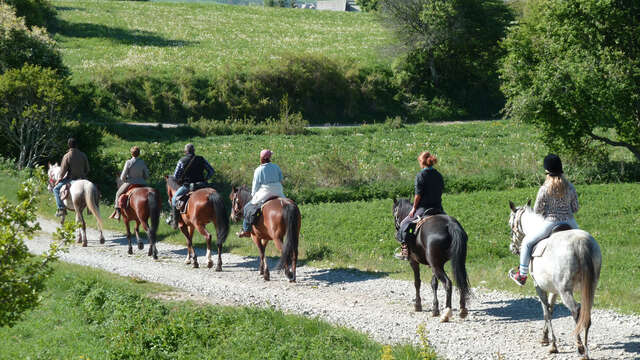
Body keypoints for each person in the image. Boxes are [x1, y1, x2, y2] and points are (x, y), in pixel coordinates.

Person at [509, 154, 579, 286]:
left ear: (547, 171)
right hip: (570, 222)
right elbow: (575, 208)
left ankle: (522, 275)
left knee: (527, 243)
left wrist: (549, 211)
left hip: (550, 223)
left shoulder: (544, 189)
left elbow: (537, 211)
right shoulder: (570, 187)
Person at [395, 151, 444, 261]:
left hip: (423, 208)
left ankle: (405, 251)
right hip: (438, 208)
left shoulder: (421, 175)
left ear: (422, 162)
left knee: (404, 224)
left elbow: (418, 196)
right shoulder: (438, 175)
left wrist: (414, 208)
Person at [236, 149, 285, 238]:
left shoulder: (258, 170)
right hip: (278, 191)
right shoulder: (276, 167)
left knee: (247, 207)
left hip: (265, 193)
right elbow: (281, 181)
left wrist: (253, 195)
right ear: (270, 158)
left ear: (261, 158)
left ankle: (246, 230)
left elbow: (255, 186)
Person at [168, 143, 215, 229]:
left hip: (188, 186)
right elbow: (211, 171)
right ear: (194, 151)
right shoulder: (201, 159)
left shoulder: (181, 161)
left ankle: (175, 222)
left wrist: (180, 181)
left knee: (174, 199)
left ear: (185, 151)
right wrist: (205, 178)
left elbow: (175, 176)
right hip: (202, 185)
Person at [110, 146, 150, 220]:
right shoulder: (142, 162)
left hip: (130, 182)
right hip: (142, 183)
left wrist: (127, 178)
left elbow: (122, 177)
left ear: (131, 154)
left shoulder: (128, 162)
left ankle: (118, 213)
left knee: (118, 194)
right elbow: (147, 176)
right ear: (139, 153)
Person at [53, 138, 90, 217]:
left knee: (55, 189)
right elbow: (87, 169)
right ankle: (90, 208)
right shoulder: (83, 155)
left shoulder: (67, 156)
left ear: (69, 145)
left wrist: (59, 179)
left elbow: (63, 171)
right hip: (83, 178)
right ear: (76, 145)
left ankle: (61, 209)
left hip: (71, 179)